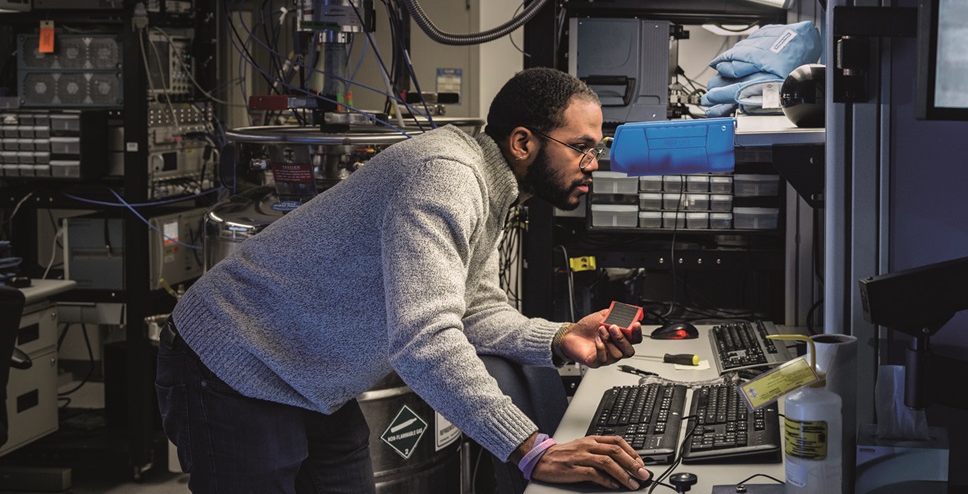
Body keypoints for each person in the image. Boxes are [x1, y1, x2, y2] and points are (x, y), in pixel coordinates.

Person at [155, 67, 652, 493]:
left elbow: (473, 307)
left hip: (313, 378)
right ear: (523, 143)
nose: (594, 165)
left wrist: (562, 338)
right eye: (582, 148)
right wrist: (530, 450)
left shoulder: (490, 186)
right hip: (233, 365)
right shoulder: (447, 177)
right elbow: (425, 339)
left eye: (598, 148)